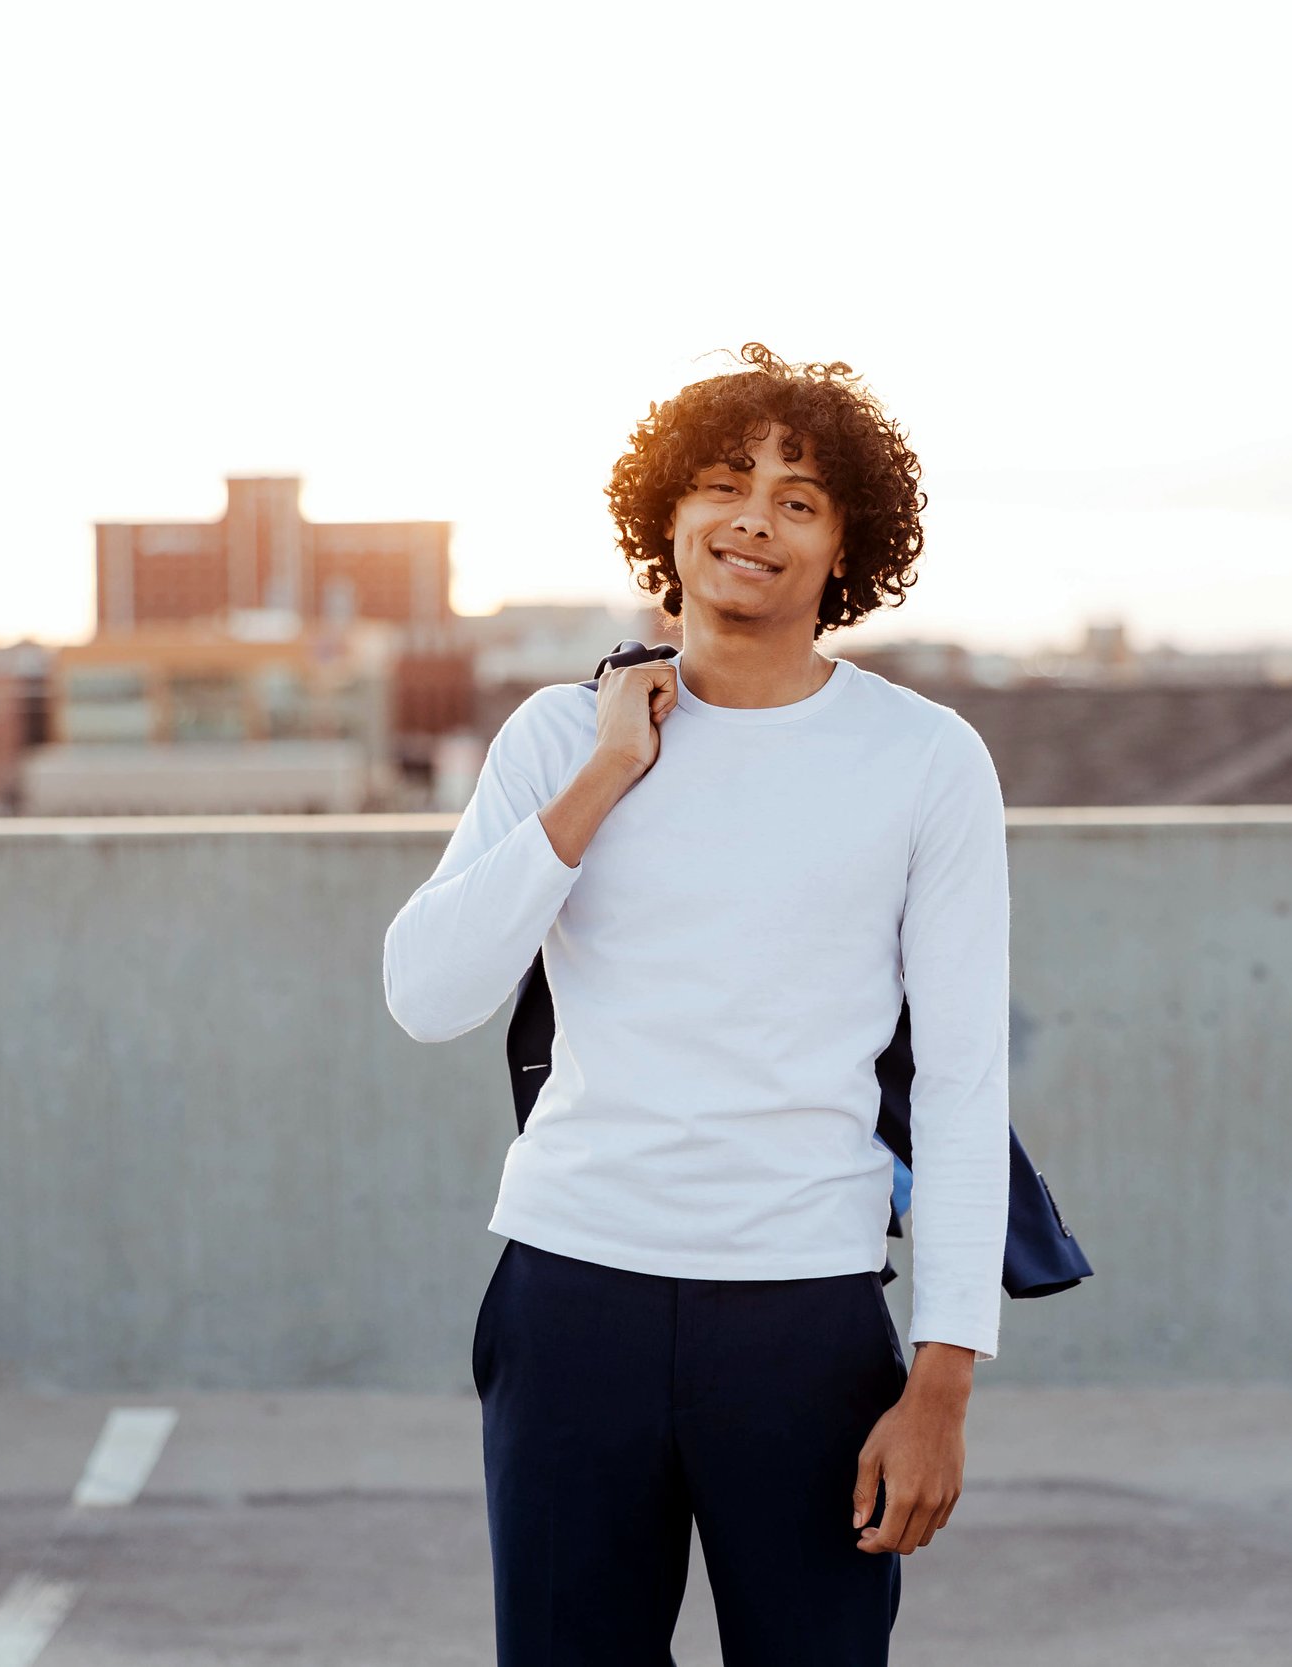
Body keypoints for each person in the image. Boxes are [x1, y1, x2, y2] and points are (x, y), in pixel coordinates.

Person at [382, 343, 1011, 1666]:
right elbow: (428, 993)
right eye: (726, 486)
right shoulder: (562, 739)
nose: (753, 522)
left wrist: (943, 1378)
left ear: (847, 549)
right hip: (571, 1294)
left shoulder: (924, 761)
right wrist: (607, 774)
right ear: (666, 518)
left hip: (803, 1313)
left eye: (798, 500)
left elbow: (960, 1082)